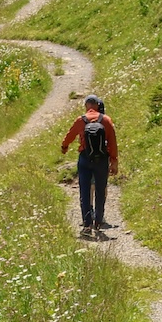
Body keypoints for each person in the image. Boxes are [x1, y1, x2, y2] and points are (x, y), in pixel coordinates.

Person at [60, 95, 119, 235]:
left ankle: (87, 225)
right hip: (102, 159)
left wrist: (64, 147)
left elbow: (70, 135)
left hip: (85, 158)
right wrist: (114, 161)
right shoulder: (106, 120)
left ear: (86, 106)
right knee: (100, 189)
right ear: (98, 105)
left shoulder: (81, 120)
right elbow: (112, 142)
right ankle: (98, 221)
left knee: (85, 191)